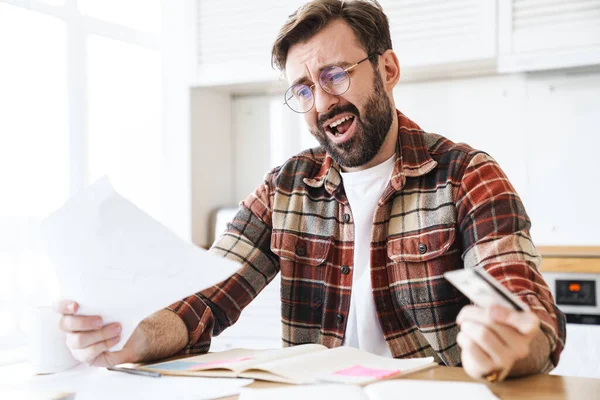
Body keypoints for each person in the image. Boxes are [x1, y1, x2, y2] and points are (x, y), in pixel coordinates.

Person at [56, 0, 566, 382]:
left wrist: (514, 346)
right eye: (303, 88)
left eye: (335, 75)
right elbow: (204, 299)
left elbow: (528, 312)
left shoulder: (466, 175)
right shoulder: (285, 188)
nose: (321, 103)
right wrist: (129, 338)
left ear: (387, 71)